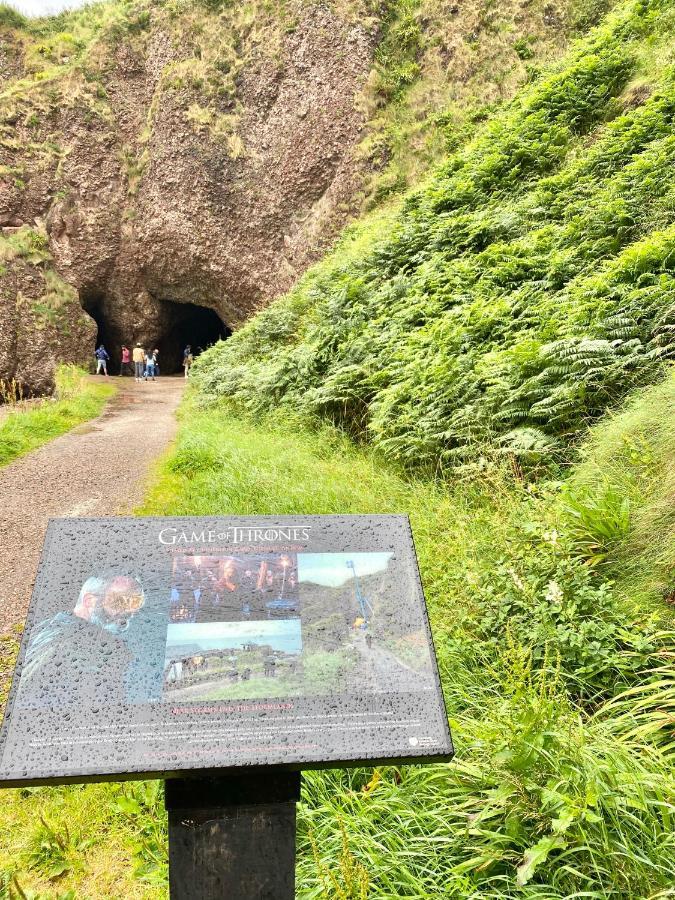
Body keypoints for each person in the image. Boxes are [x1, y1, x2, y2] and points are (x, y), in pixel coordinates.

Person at [18, 575, 145, 708]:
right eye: (120, 602)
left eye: (136, 603)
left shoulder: (50, 627)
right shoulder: (67, 641)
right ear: (89, 601)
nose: (129, 613)